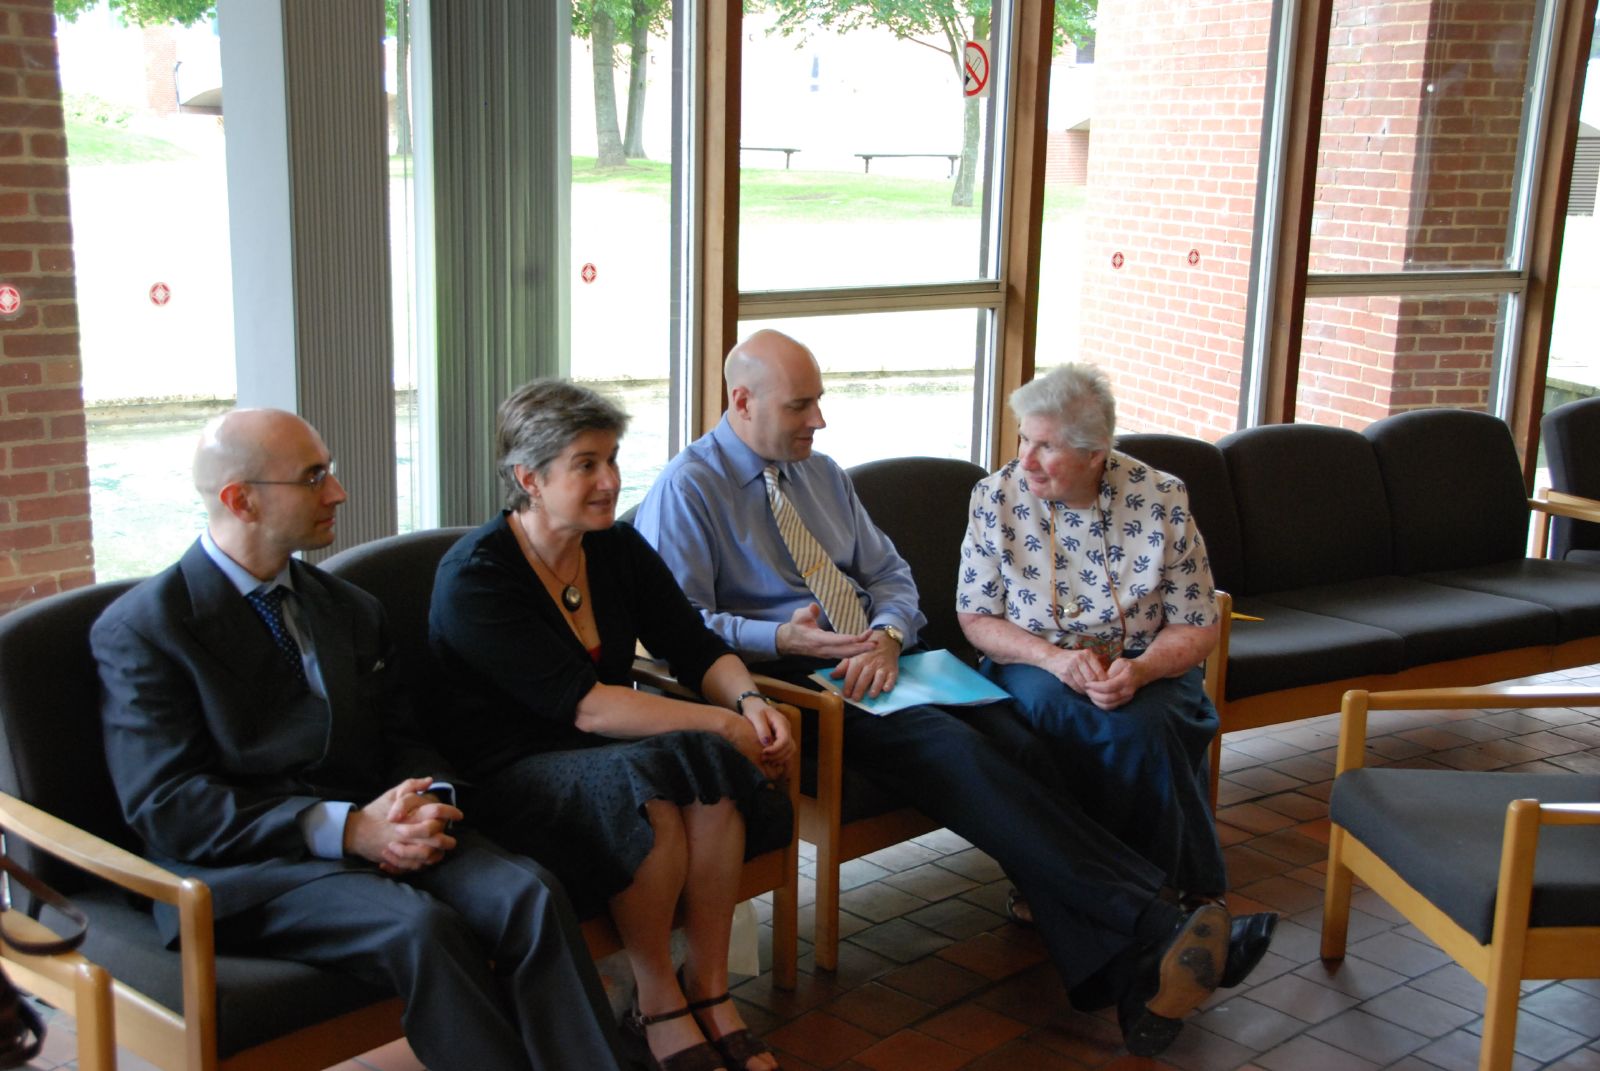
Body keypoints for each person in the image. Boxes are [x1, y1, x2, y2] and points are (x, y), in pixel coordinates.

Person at [634, 329, 1257, 1056]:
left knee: (1025, 742)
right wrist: (784, 638)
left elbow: (893, 576)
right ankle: (1153, 924)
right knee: (963, 756)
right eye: (802, 405)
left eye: (820, 403)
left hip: (886, 658)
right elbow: (677, 629)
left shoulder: (822, 474)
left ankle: (1133, 972)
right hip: (794, 683)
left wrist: (892, 636)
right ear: (741, 401)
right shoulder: (688, 487)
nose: (820, 421)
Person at [92, 408, 626, 1071]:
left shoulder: (347, 605)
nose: (338, 492)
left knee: (531, 893)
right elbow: (171, 805)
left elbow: (405, 735)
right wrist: (347, 830)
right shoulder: (145, 629)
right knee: (421, 928)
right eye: (315, 477)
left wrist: (427, 799)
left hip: (385, 822)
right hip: (253, 867)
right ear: (241, 499)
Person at [428, 380, 797, 1071]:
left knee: (706, 773)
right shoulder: (477, 577)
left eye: (613, 459)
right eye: (587, 464)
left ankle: (709, 988)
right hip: (508, 773)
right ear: (528, 479)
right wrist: (722, 724)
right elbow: (587, 704)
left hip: (603, 749)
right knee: (656, 776)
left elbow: (693, 645)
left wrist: (749, 703)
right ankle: (655, 1001)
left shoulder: (616, 549)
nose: (611, 481)